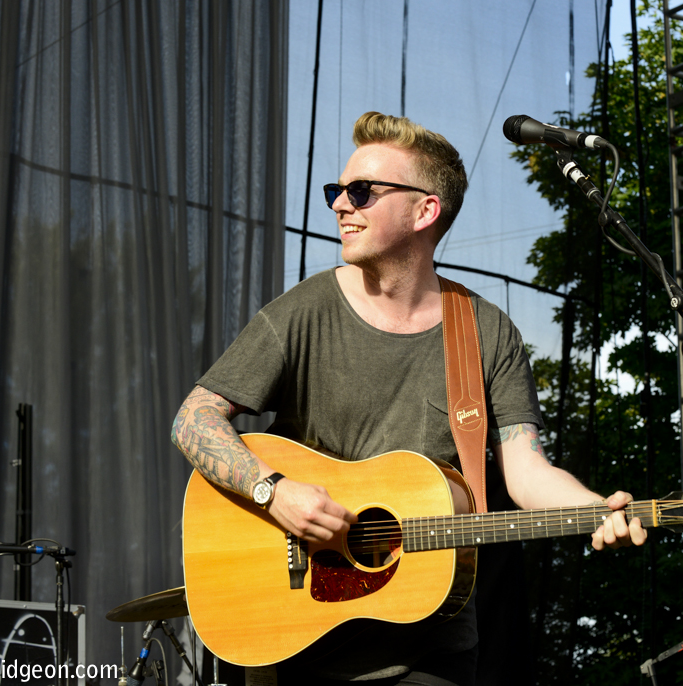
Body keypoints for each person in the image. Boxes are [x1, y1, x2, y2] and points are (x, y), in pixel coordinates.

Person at [171, 111, 647, 686]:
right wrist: (275, 493)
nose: (341, 205)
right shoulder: (304, 311)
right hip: (296, 634)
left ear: (425, 210)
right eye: (337, 191)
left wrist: (594, 508)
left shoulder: (485, 332)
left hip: (431, 643)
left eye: (362, 192)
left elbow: (526, 470)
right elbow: (195, 419)